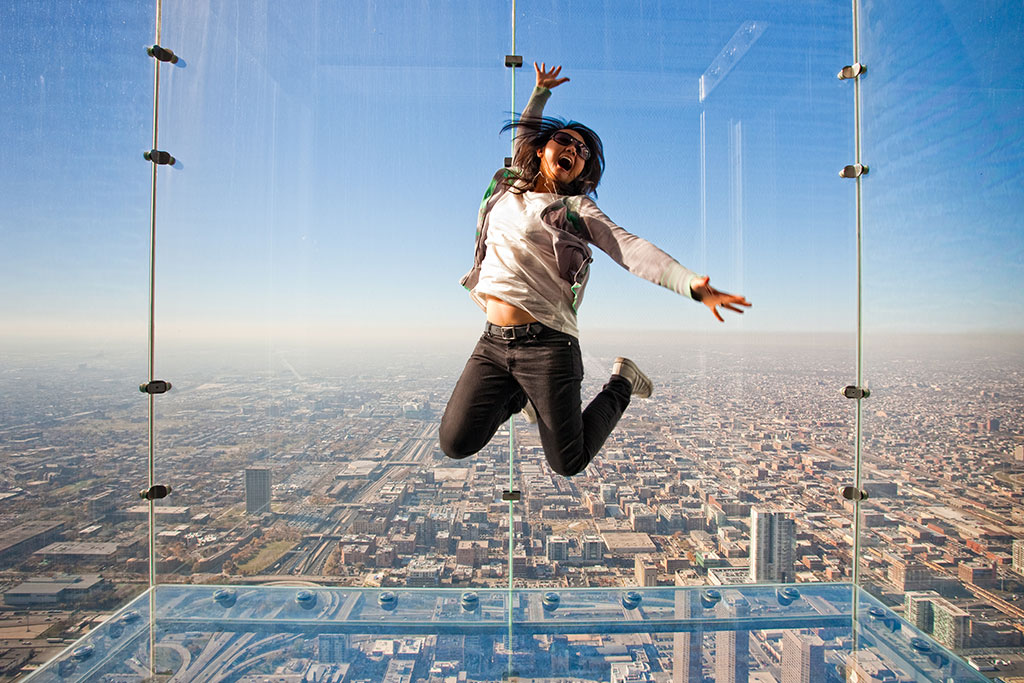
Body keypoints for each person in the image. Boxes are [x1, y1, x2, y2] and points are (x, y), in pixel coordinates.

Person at [439, 63, 750, 477]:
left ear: (584, 171)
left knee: (568, 461)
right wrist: (540, 93)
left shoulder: (573, 210)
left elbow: (629, 248)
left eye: (583, 152)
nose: (574, 151)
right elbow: (524, 132)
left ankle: (622, 382)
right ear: (540, 149)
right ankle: (521, 395)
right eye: (564, 141)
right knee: (455, 442)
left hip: (549, 347)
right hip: (494, 343)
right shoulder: (507, 188)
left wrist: (690, 284)